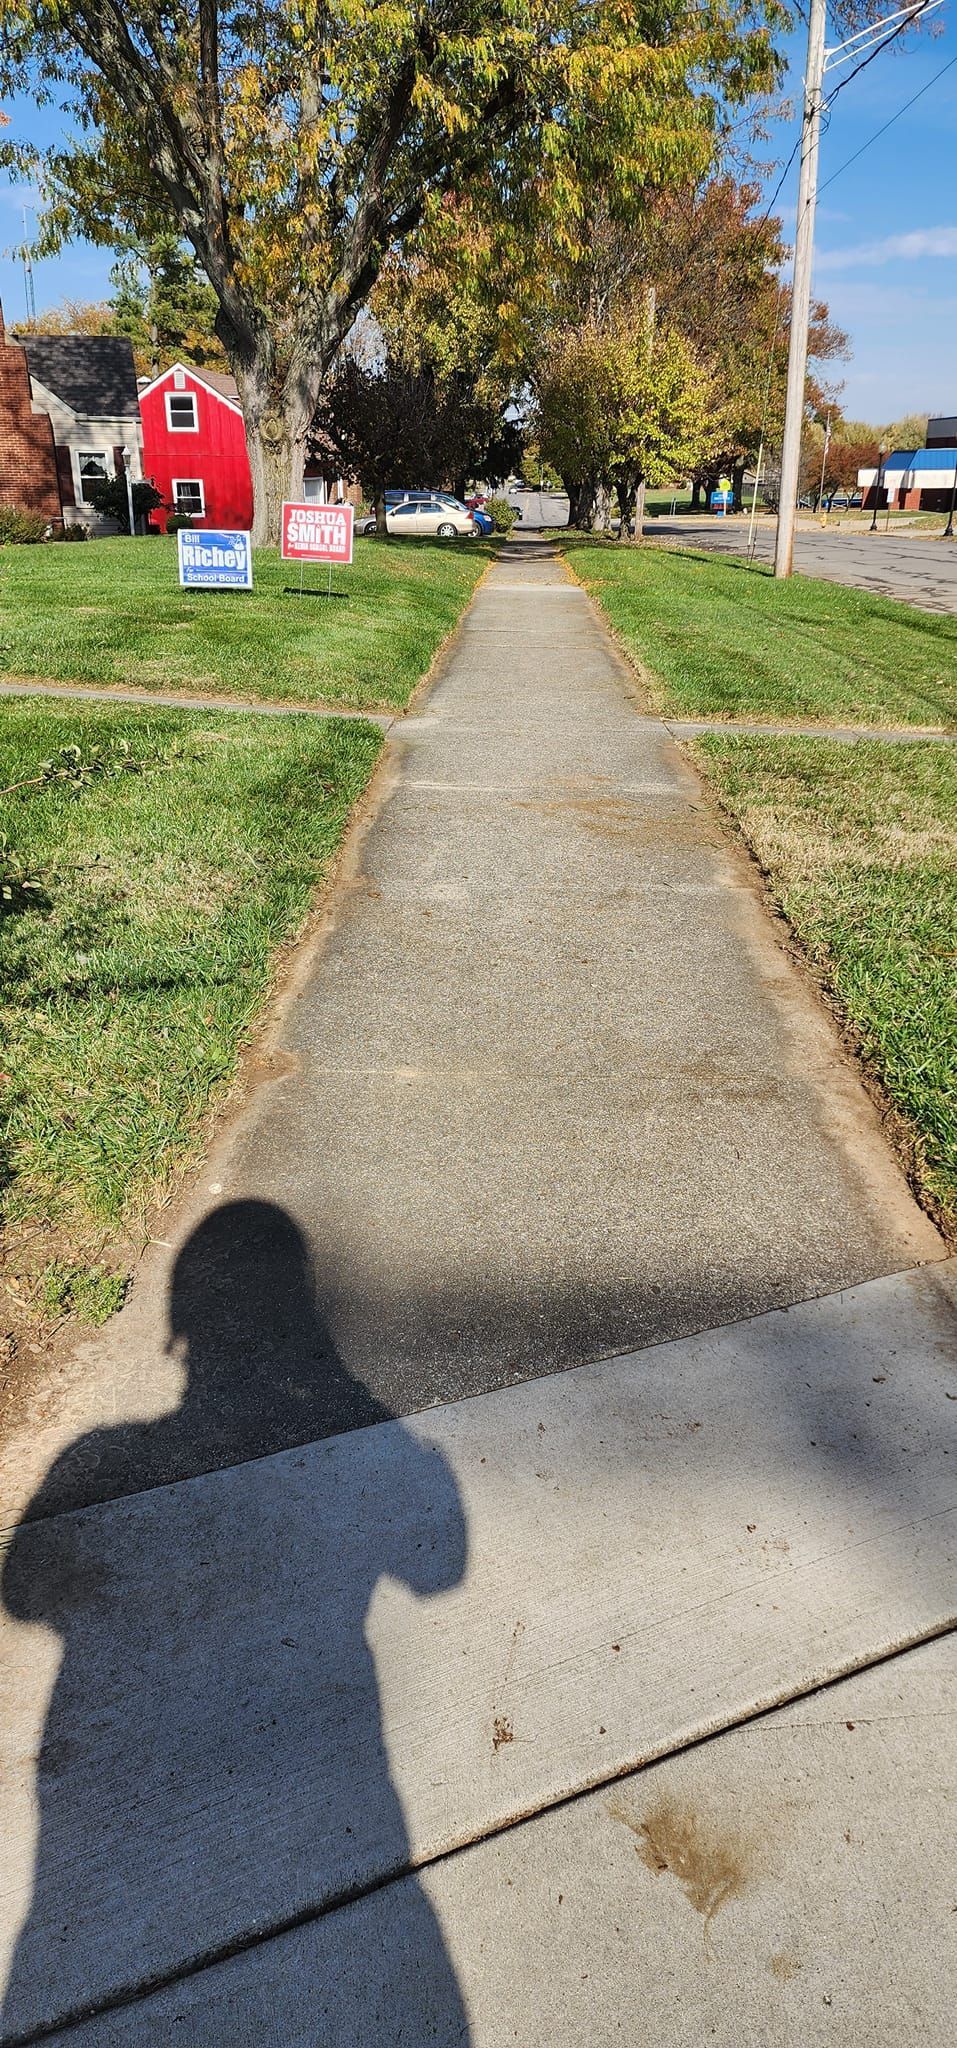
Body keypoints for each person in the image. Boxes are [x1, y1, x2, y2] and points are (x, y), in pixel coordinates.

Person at [1, 1202, 470, 2041]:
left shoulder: (96, 1452)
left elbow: (22, 1596)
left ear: (179, 1330)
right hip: (345, 1764)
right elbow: (440, 1571)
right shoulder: (375, 1434)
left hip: (93, 1794)